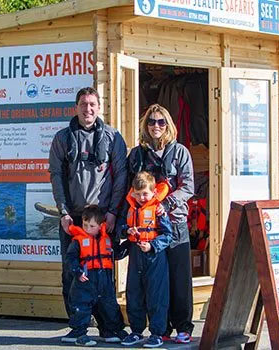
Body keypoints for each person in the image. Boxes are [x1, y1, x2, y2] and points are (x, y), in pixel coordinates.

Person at [49, 87, 128, 343]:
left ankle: (108, 328)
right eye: (83, 104)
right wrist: (63, 211)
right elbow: (56, 177)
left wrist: (114, 212)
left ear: (99, 106)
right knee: (72, 274)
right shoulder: (62, 138)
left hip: (103, 219)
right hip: (74, 220)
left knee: (103, 274)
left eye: (92, 104)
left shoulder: (114, 138)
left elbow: (121, 178)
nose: (88, 109)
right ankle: (77, 328)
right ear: (76, 107)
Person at [127, 104, 195, 344]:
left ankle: (183, 327)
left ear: (168, 125)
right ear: (145, 126)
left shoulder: (180, 152)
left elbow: (187, 187)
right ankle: (159, 327)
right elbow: (128, 189)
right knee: (153, 282)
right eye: (151, 122)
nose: (156, 126)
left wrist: (167, 204)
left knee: (179, 278)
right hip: (145, 231)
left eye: (161, 122)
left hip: (173, 225)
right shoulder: (136, 155)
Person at [117, 171, 173, 348]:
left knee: (157, 296)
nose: (142, 197)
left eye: (145, 193)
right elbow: (119, 228)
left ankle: (157, 333)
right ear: (133, 192)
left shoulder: (158, 210)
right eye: (138, 193)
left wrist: (153, 246)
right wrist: (127, 231)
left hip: (155, 257)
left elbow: (168, 235)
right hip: (135, 255)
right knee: (134, 294)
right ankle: (136, 331)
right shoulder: (130, 208)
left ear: (153, 192)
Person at [63, 205, 128, 347]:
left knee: (109, 305)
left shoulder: (107, 240)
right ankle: (78, 332)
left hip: (104, 278)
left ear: (100, 226)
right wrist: (77, 271)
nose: (87, 228)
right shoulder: (77, 241)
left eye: (91, 225)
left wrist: (129, 244)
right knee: (82, 305)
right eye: (84, 225)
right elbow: (70, 258)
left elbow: (116, 253)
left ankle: (111, 330)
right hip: (85, 279)